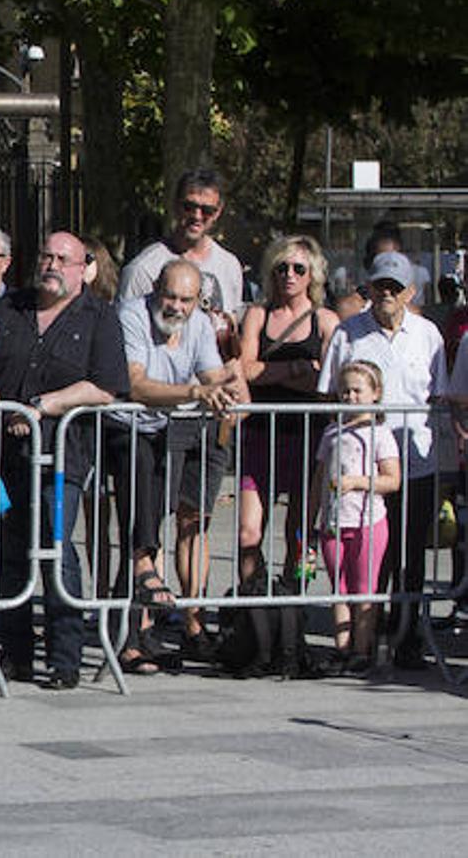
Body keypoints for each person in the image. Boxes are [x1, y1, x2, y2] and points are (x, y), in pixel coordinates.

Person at [0, 230, 129, 689]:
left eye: (61, 258)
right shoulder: (10, 308)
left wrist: (41, 405)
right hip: (4, 453)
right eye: (45, 255)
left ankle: (65, 658)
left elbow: (105, 386)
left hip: (64, 454)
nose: (50, 264)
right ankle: (15, 653)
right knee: (8, 553)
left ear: (81, 267)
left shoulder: (100, 317)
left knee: (56, 549)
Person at [323, 251, 446, 670]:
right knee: (369, 561)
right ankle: (362, 642)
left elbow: (437, 395)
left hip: (415, 462)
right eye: (380, 286)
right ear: (368, 288)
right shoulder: (348, 332)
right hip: (361, 469)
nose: (387, 295)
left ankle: (408, 638)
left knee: (411, 557)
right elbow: (329, 395)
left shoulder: (429, 335)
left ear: (411, 292)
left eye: (396, 288)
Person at [112, 260, 238, 672]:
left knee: (167, 530)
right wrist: (197, 391)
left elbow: (215, 375)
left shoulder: (199, 322)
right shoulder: (131, 315)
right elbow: (136, 383)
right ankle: (132, 638)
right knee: (142, 532)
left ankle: (166, 630)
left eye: (186, 299)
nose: (177, 307)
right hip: (127, 428)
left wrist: (225, 391)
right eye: (170, 297)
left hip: (173, 427)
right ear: (154, 291)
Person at [234, 236, 339, 585]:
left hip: (309, 436)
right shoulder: (257, 314)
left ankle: (295, 601)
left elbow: (327, 381)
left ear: (313, 275)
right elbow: (246, 369)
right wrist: (299, 369)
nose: (289, 275)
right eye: (282, 268)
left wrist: (272, 373)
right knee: (249, 533)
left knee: (300, 532)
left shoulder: (325, 320)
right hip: (260, 435)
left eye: (298, 268)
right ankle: (255, 602)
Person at [308, 360, 399, 672]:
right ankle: (342, 649)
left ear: (375, 393)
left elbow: (392, 479)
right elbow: (319, 478)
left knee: (365, 591)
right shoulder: (332, 431)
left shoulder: (381, 434)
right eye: (344, 391)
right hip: (333, 523)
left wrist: (357, 483)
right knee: (339, 589)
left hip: (368, 521)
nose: (350, 397)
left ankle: (362, 649)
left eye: (357, 390)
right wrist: (309, 520)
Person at [118, 169, 244, 318]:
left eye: (207, 210)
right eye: (189, 207)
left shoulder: (229, 266)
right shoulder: (143, 269)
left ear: (218, 212)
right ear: (176, 205)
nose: (197, 216)